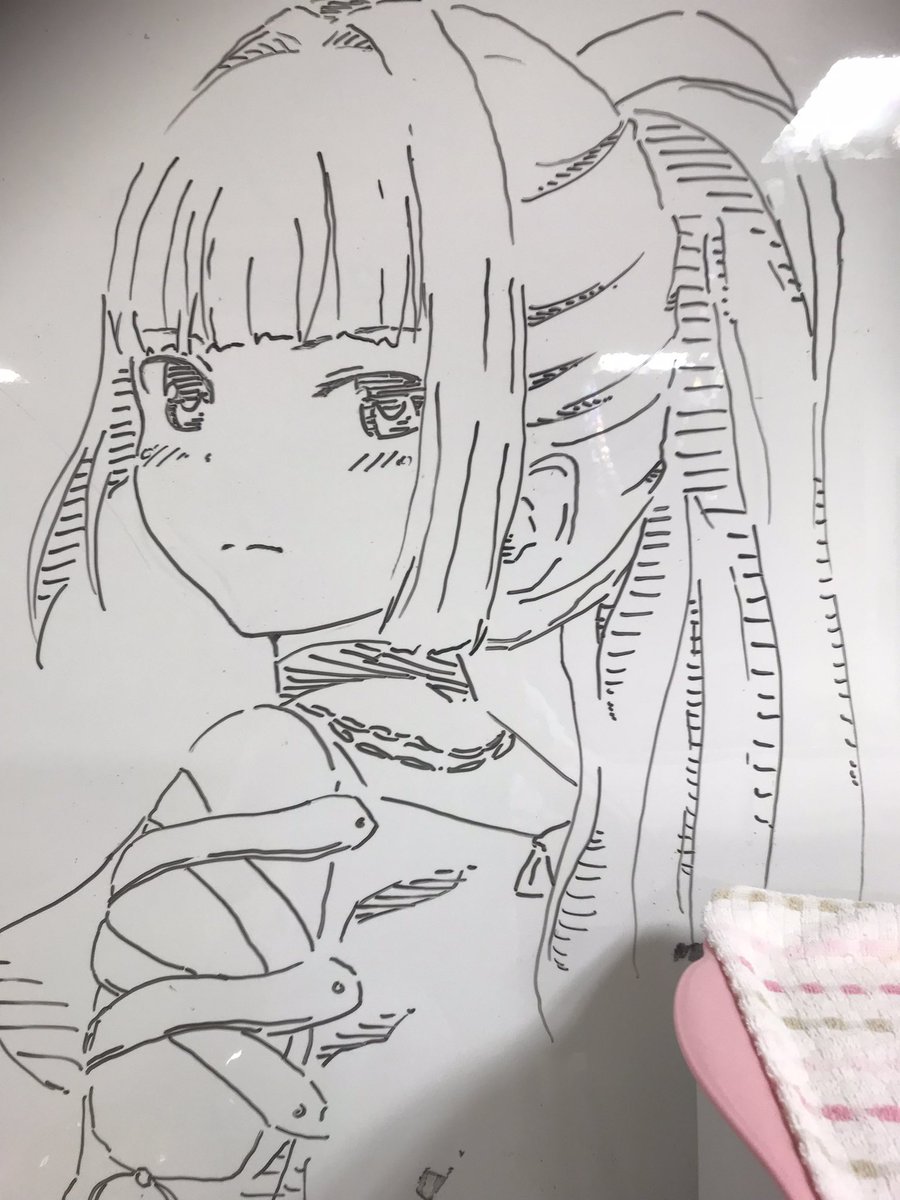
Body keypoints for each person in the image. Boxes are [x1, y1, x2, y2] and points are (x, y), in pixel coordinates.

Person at [8, 3, 864, 1197]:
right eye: (186, 388)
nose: (229, 464)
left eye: (381, 403)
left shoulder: (297, 785)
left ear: (550, 498)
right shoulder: (522, 815)